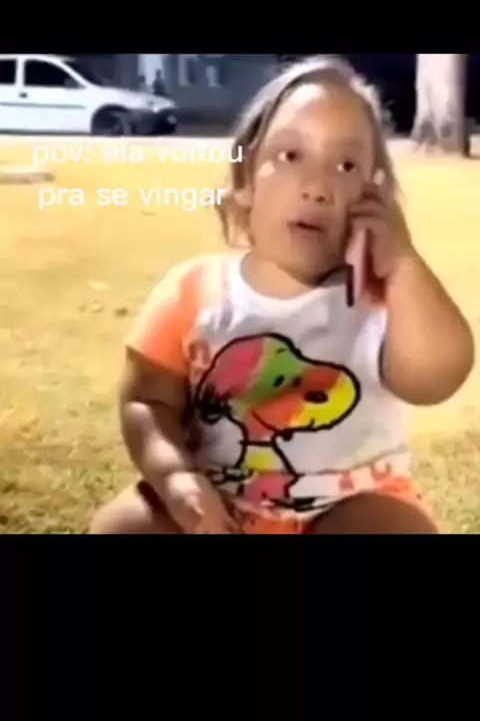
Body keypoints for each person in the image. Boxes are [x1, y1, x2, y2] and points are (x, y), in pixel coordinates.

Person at [90, 55, 474, 535]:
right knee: (124, 525)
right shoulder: (192, 292)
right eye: (291, 156)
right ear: (245, 179)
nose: (317, 186)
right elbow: (147, 402)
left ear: (373, 196)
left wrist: (402, 264)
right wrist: (175, 476)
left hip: (350, 507)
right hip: (219, 508)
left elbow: (438, 378)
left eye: (346, 165)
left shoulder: (379, 298)